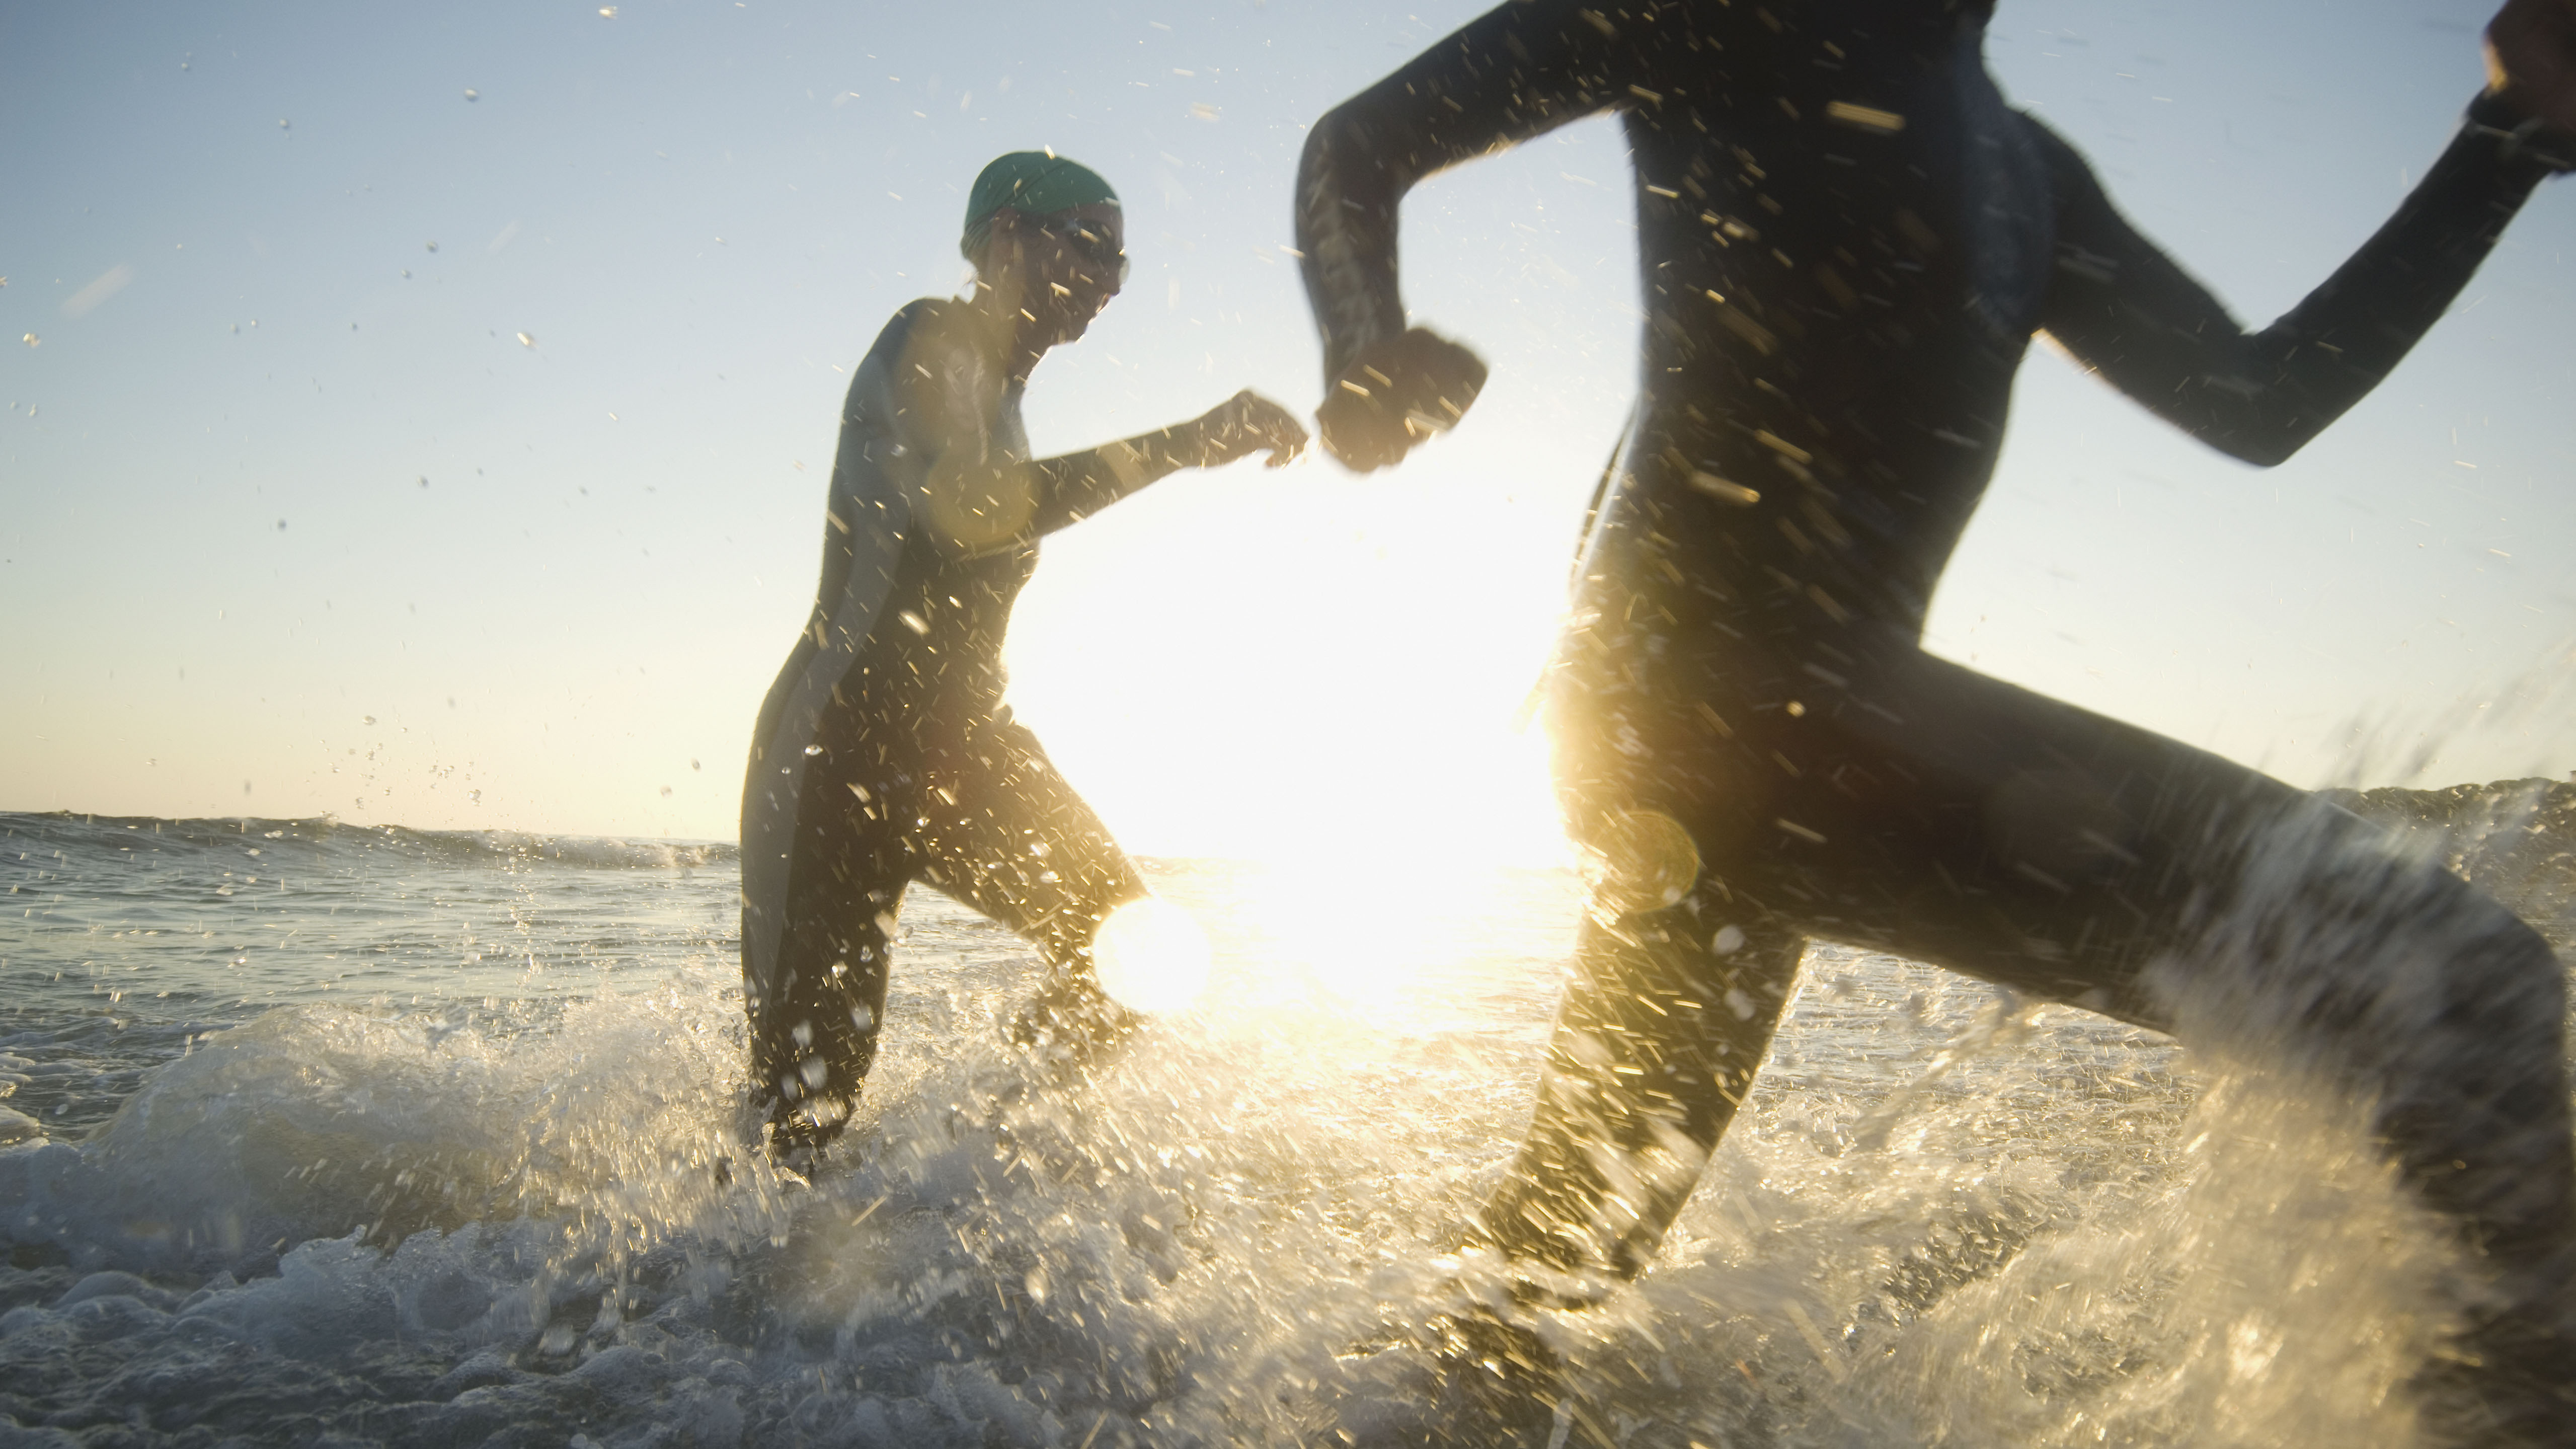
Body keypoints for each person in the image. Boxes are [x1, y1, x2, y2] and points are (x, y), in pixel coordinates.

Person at [1293, 0, 2576, 1439]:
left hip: (1731, 739)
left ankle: (1369, 1414)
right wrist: (1362, 350)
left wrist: (2507, 140)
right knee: (2460, 989)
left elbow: (2259, 397)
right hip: (1715, 701)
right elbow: (1361, 142)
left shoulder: (2028, 168)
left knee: (1558, 1267)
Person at [741, 151, 1306, 1168]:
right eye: (1086, 246)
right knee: (801, 1115)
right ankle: (698, 1308)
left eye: (1119, 265)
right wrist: (1185, 441)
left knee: (1132, 955)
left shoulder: (1004, 396)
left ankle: (959, 1171)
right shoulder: (929, 339)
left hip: (964, 749)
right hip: (835, 750)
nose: (1103, 280)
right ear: (1003, 239)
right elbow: (971, 516)